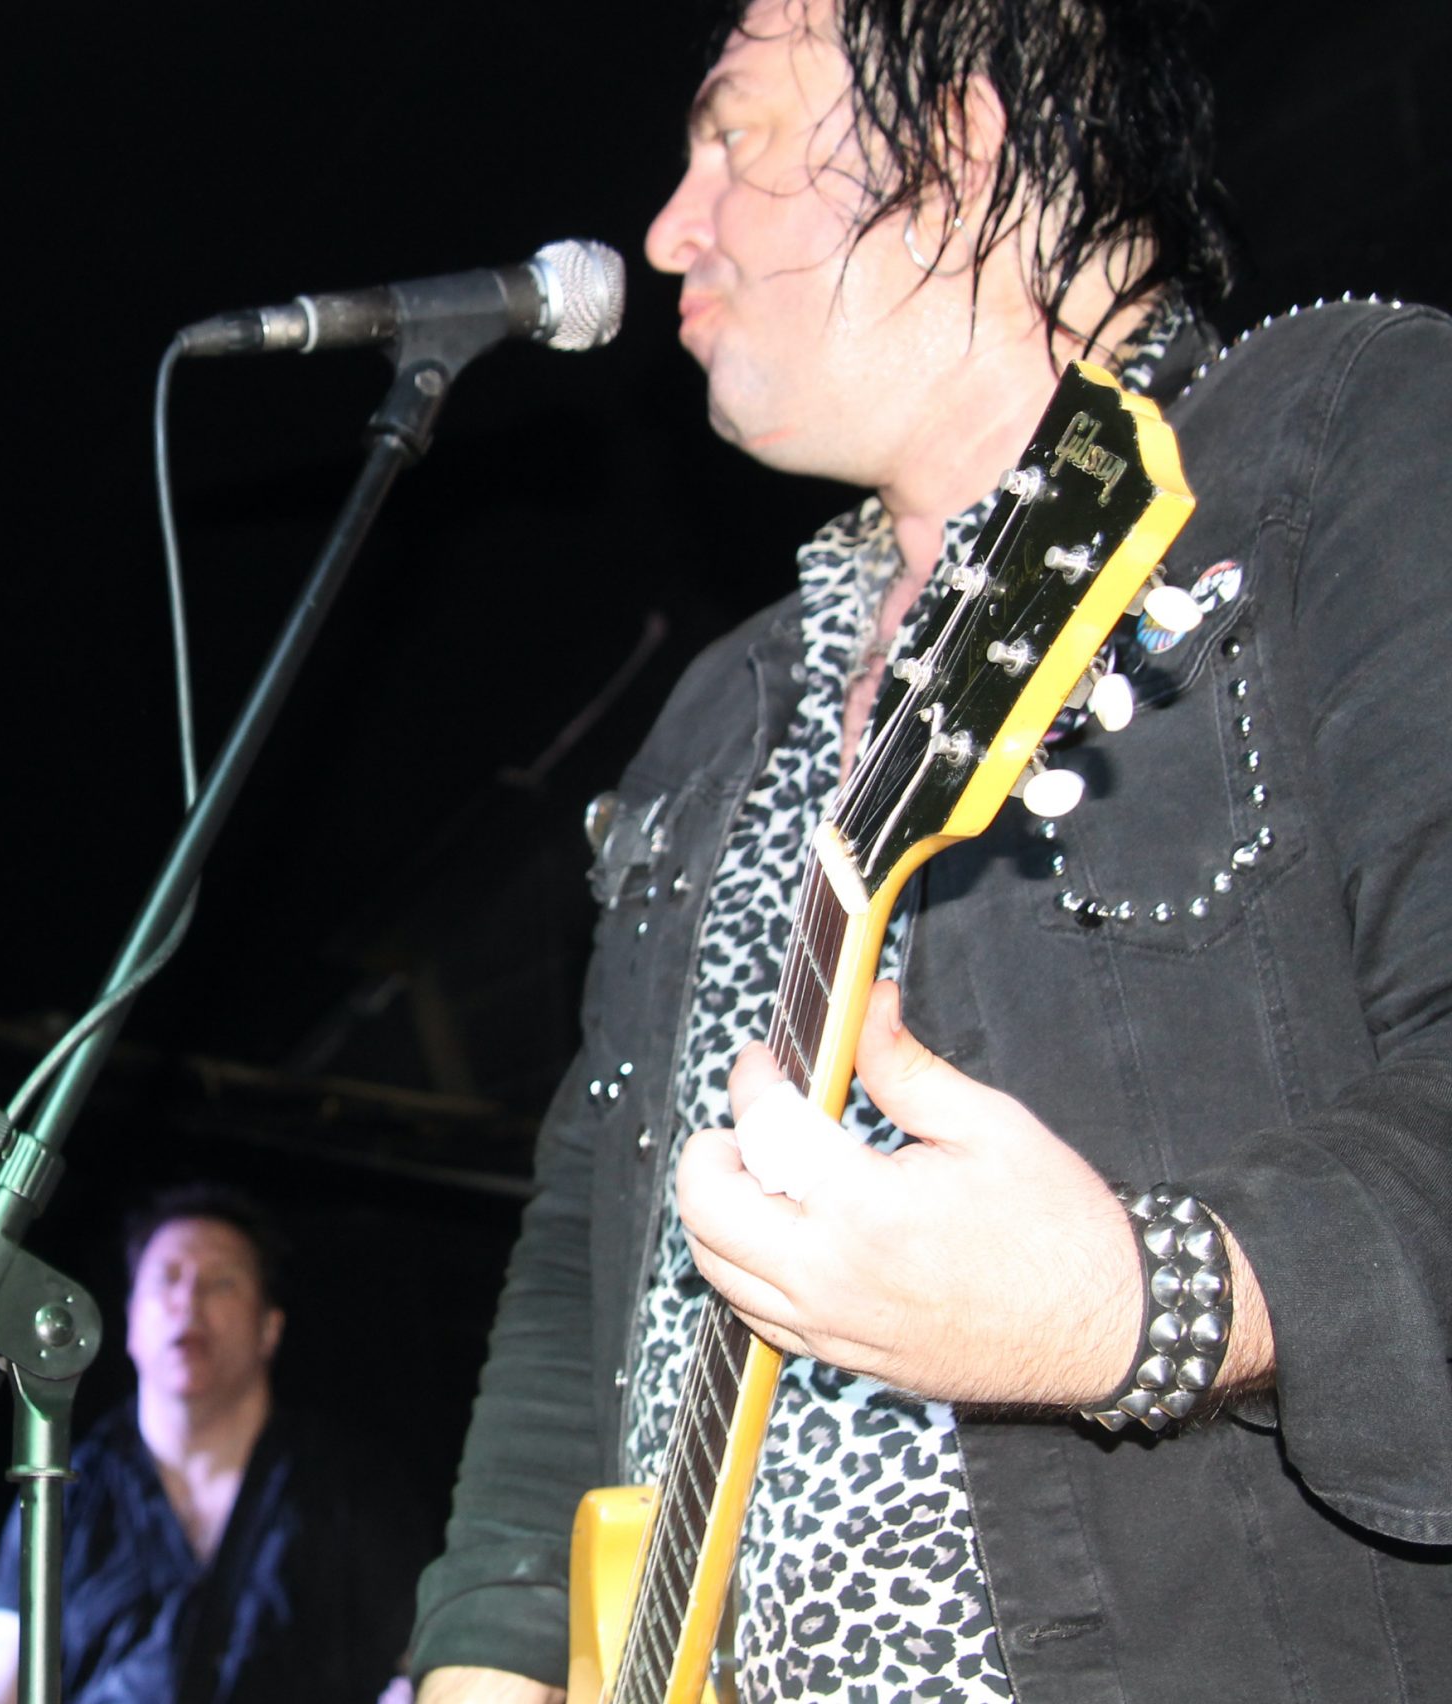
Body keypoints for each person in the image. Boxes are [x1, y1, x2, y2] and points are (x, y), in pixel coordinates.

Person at [409, 1, 1452, 1699]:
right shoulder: (719, 713)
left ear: (962, 144)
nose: (667, 230)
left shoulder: (1343, 444)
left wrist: (1142, 1301)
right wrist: (489, 1648)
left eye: (731, 133)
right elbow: (587, 1241)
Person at [0, 1186, 430, 1704]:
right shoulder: (65, 1488)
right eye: (167, 1278)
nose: (188, 1300)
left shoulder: (349, 1485)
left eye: (221, 1282)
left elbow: (417, 1667)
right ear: (130, 1322)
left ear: (269, 1329)